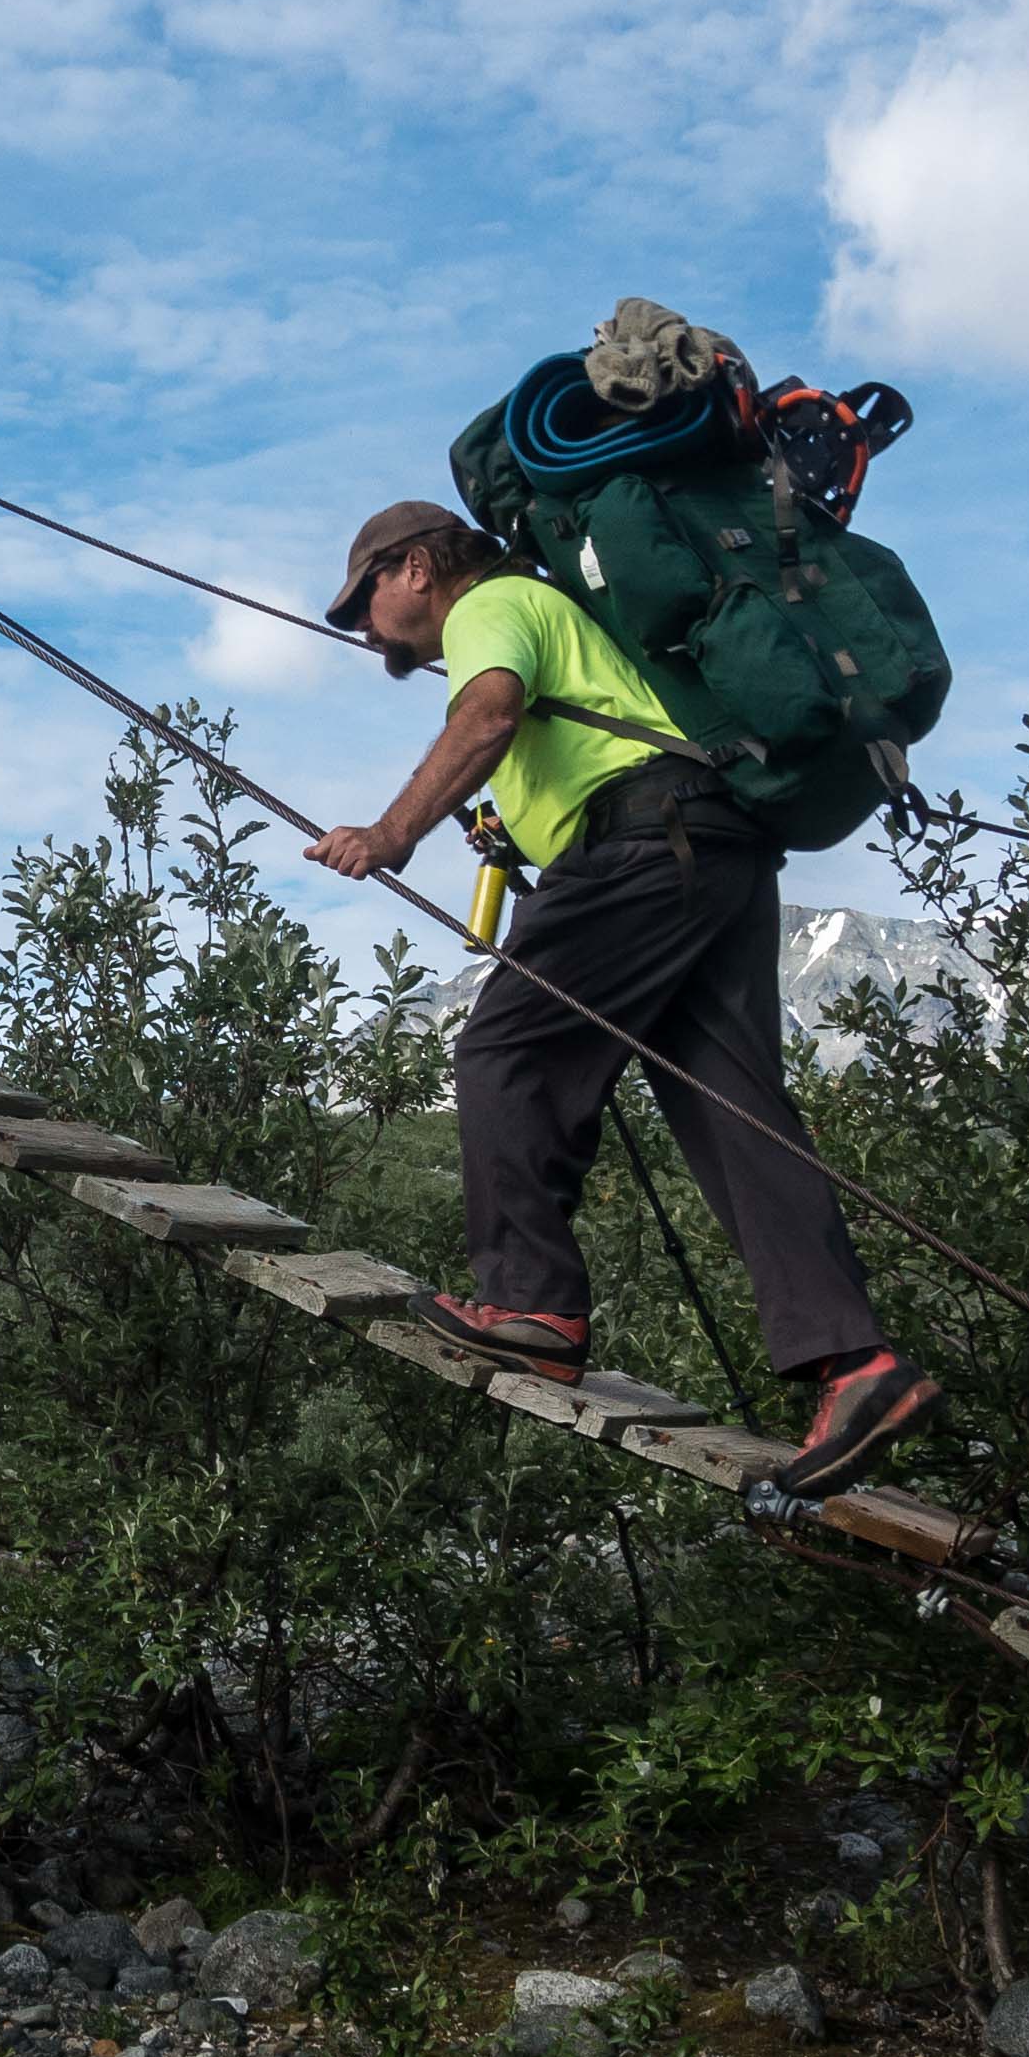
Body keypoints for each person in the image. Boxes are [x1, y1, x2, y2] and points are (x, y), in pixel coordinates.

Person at [303, 497, 938, 1495]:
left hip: (643, 843)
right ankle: (855, 1365)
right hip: (715, 845)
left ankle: (531, 1306)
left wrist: (390, 835)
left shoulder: (492, 605)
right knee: (734, 1114)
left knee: (504, 1051)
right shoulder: (561, 612)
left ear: (415, 566)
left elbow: (489, 714)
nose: (362, 628)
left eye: (363, 600)